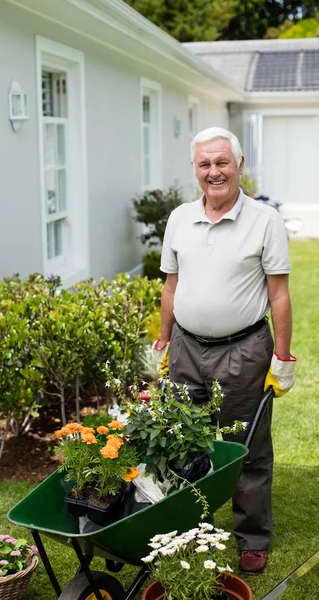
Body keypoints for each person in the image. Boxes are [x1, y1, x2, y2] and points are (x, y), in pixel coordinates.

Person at [154, 127, 296, 575]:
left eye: (222, 162)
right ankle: (188, 529)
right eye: (204, 164)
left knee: (246, 448)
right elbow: (171, 285)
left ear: (238, 165)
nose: (213, 172)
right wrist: (163, 339)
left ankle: (252, 538)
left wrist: (283, 359)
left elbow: (279, 296)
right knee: (179, 443)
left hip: (244, 351)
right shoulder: (179, 218)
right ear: (195, 170)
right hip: (186, 350)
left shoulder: (264, 220)